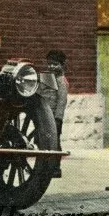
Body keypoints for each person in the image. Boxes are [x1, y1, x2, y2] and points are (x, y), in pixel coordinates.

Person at [43, 49, 69, 178]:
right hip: (46, 116)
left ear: (62, 65)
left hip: (54, 117)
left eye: (55, 64)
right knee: (46, 142)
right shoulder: (49, 79)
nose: (51, 66)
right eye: (49, 63)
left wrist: (58, 118)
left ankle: (56, 168)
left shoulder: (61, 81)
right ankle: (48, 167)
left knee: (55, 143)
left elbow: (62, 101)